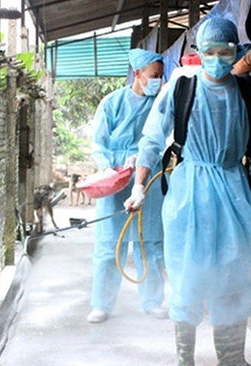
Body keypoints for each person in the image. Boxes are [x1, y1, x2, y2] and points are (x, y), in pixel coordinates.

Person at [124, 18, 251, 365]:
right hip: (189, 197)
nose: (217, 58)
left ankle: (231, 359)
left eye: (225, 52)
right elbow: (153, 138)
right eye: (210, 51)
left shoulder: (248, 92)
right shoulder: (182, 88)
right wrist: (139, 185)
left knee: (233, 277)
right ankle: (185, 359)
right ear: (198, 53)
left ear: (237, 52)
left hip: (234, 193)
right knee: (188, 277)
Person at [87, 48, 167, 324]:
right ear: (138, 74)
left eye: (161, 75)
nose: (158, 80)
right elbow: (98, 142)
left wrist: (144, 157)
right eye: (154, 76)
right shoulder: (112, 103)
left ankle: (153, 301)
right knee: (109, 244)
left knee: (153, 243)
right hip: (116, 180)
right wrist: (110, 167)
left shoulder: (160, 103)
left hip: (151, 178)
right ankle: (101, 304)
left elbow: (166, 137)